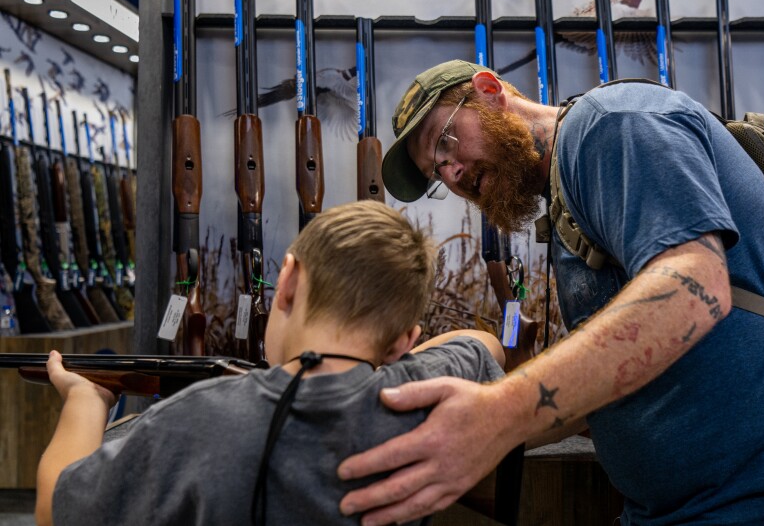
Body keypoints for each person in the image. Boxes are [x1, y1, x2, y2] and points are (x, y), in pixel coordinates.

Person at [336, 60, 764, 525]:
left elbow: (695, 287)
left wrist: (498, 414)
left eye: (445, 142)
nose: (452, 173)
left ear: (488, 90)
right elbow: (618, 379)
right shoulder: (570, 190)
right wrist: (457, 426)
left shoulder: (611, 125)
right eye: (438, 173)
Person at [34, 200, 506, 526]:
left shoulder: (197, 418)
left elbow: (57, 509)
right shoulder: (419, 403)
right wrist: (386, 370)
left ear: (287, 280)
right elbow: (483, 344)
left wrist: (86, 398)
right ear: (405, 341)